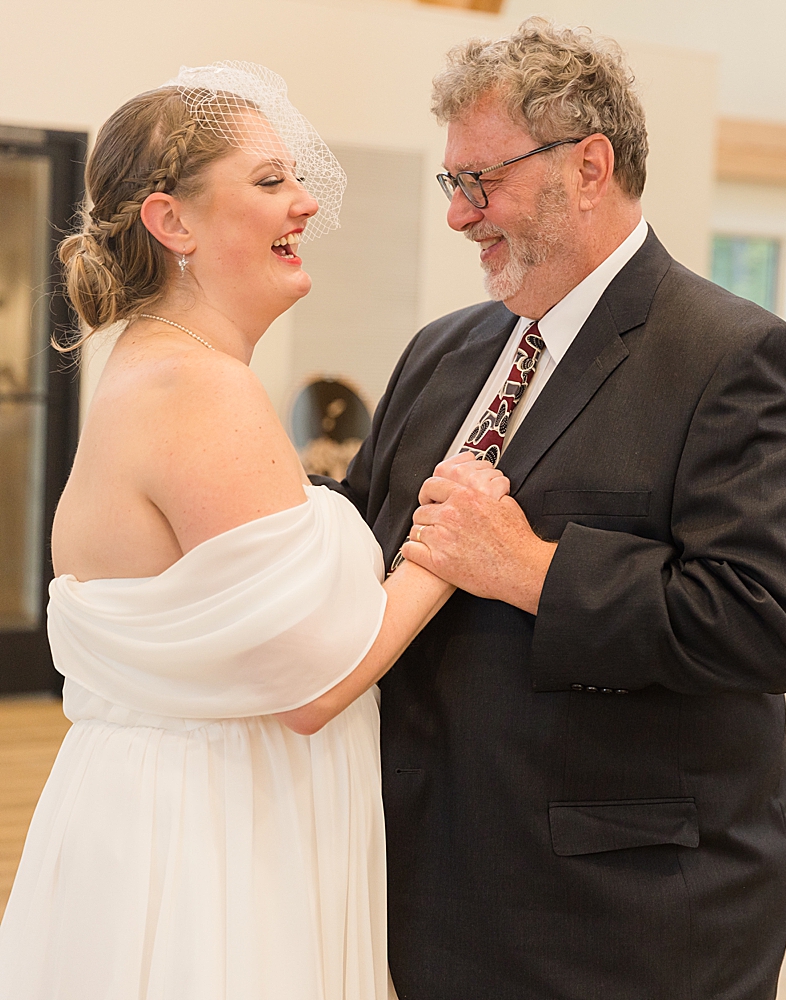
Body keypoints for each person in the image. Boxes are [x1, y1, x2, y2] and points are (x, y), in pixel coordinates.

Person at [324, 20, 786, 1000]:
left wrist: (531, 567)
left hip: (623, 918)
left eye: (483, 182)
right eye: (451, 184)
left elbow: (771, 623)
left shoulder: (733, 357)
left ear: (589, 165)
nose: (460, 216)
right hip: (427, 883)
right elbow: (368, 534)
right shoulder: (441, 351)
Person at [0, 64, 463, 998]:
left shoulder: (160, 363)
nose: (304, 206)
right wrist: (447, 549)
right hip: (207, 835)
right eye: (268, 183)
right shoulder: (200, 387)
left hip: (182, 807)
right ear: (172, 223)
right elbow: (309, 681)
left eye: (294, 179)